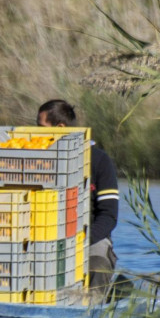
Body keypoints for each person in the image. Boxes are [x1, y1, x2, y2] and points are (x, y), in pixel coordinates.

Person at [37, 99, 119, 294]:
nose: (36, 131)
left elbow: (109, 216)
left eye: (41, 126)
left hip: (89, 238)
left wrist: (79, 241)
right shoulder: (36, 158)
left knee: (97, 265)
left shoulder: (99, 161)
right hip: (44, 237)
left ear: (60, 127)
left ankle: (94, 312)